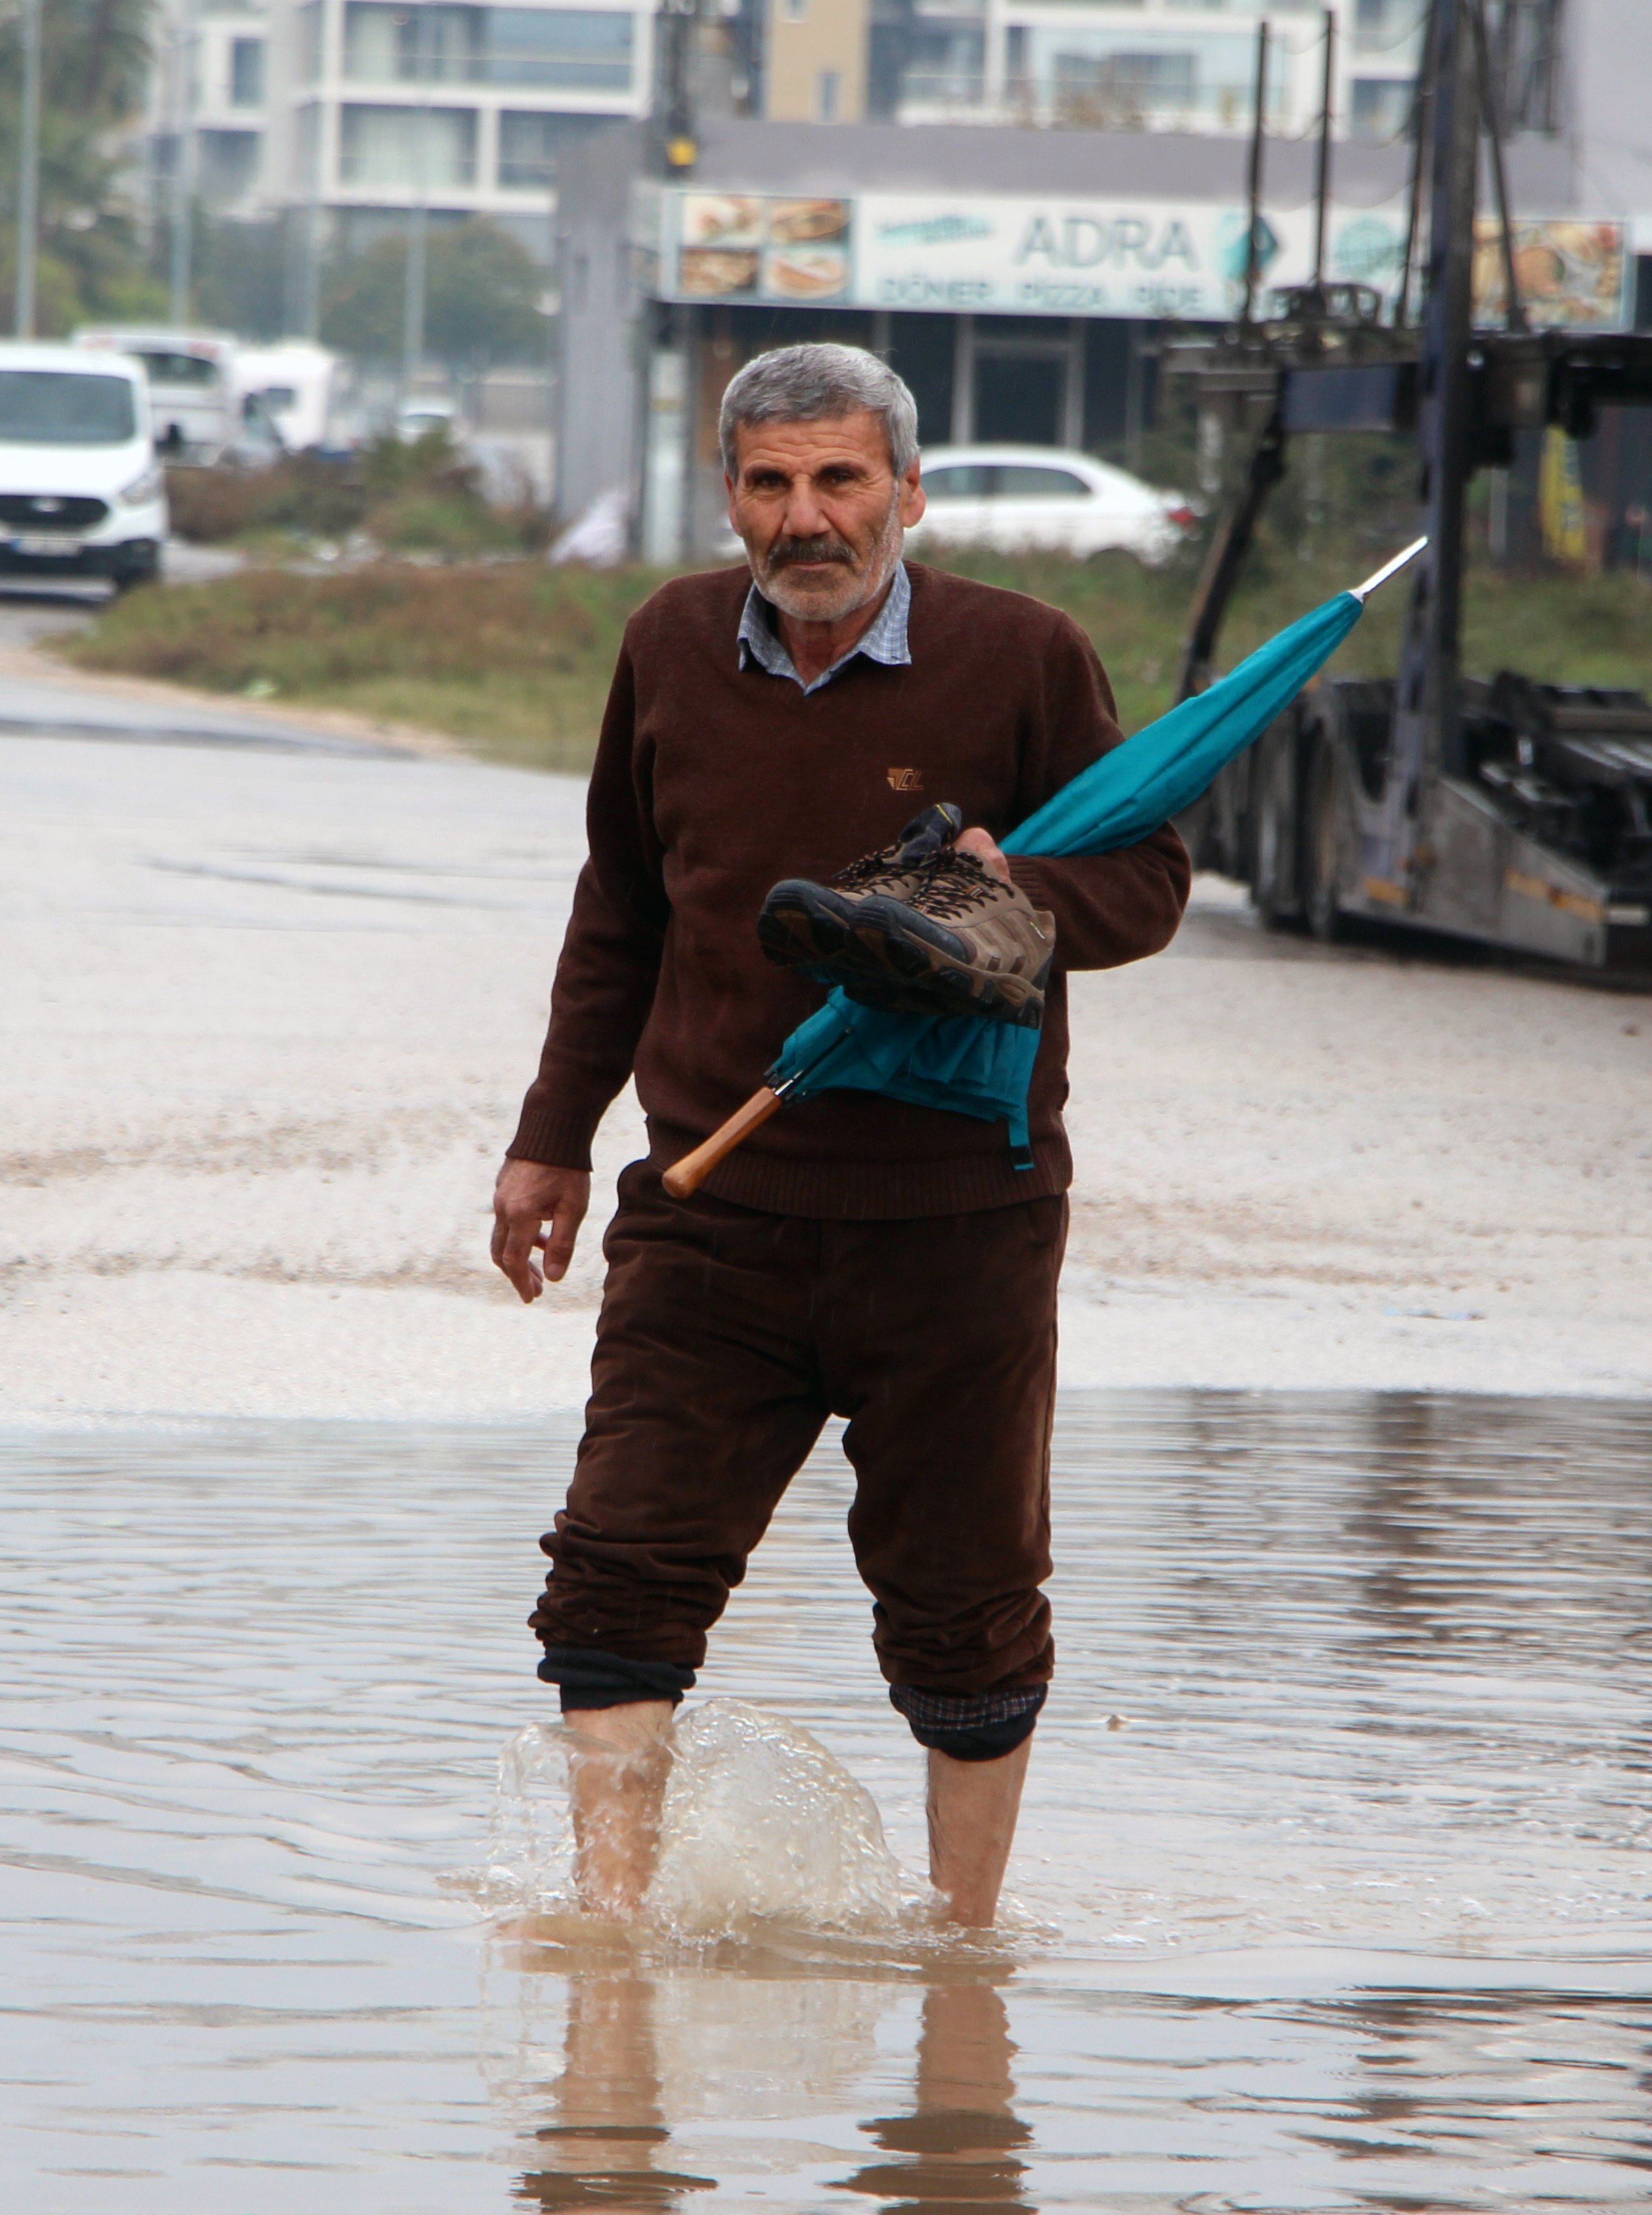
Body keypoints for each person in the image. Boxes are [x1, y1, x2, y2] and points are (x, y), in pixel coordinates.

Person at [488, 343, 1192, 1929]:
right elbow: (620, 903)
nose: (806, 518)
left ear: (907, 492)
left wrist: (1019, 894)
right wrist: (549, 1141)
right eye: (770, 483)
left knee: (965, 1616)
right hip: (707, 1205)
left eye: (839, 480)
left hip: (960, 1226)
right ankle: (610, 1958)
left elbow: (1148, 883)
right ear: (730, 496)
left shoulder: (1023, 659)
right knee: (616, 1580)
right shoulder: (670, 643)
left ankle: (965, 1963)